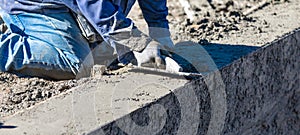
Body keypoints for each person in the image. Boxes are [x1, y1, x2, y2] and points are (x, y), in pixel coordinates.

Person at [0, 0, 174, 80]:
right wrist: (136, 42)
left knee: (105, 56)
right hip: (35, 6)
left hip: (76, 6)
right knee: (79, 64)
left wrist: (161, 35)